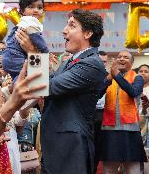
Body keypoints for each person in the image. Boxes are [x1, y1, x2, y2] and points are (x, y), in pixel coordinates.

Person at [16, 9, 107, 173]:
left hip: (70, 146)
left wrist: (34, 53)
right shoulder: (69, 61)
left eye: (72, 26)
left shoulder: (92, 63)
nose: (64, 30)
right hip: (55, 143)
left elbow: (44, 87)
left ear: (87, 33)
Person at [100, 51, 147, 174]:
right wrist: (109, 79)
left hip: (130, 129)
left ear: (132, 63)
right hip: (109, 128)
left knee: (132, 169)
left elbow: (133, 92)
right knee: (109, 169)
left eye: (126, 57)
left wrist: (117, 76)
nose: (121, 59)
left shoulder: (138, 77)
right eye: (119, 57)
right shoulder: (108, 77)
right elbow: (96, 94)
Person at [2, 0, 49, 82]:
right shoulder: (31, 22)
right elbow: (38, 39)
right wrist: (45, 51)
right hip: (17, 59)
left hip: (8, 58)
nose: (36, 10)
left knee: (18, 78)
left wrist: (32, 50)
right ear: (22, 11)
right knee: (30, 80)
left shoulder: (21, 24)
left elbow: (10, 37)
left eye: (39, 7)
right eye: (31, 7)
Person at [94, 50, 108, 173]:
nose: (103, 64)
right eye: (100, 61)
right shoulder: (88, 74)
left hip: (104, 114)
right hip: (88, 113)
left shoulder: (110, 76)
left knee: (99, 146)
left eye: (105, 62)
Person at [137, 64, 149, 149]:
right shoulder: (133, 88)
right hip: (135, 122)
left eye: (146, 72)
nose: (143, 73)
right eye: (140, 71)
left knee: (148, 151)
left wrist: (145, 108)